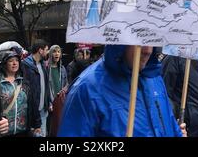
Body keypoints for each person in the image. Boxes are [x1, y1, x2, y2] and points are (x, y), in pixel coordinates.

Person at [58, 45, 186, 137]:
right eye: (140, 40)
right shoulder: (87, 88)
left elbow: (169, 125)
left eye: (151, 40)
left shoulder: (155, 79)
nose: (147, 50)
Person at [0, 49, 41, 137]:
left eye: (17, 60)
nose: (15, 63)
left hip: (23, 131)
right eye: (11, 61)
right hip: (4, 132)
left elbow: (32, 103)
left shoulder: (24, 82)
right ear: (4, 64)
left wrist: (37, 124)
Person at [21, 40, 50, 137]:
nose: (48, 52)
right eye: (46, 50)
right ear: (40, 50)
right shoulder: (25, 65)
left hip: (43, 109)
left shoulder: (42, 64)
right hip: (32, 111)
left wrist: (48, 102)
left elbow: (45, 86)